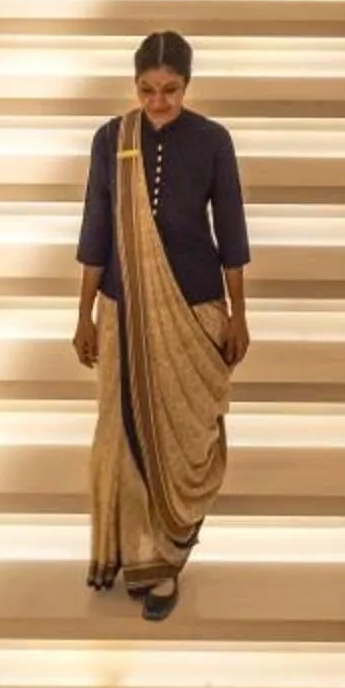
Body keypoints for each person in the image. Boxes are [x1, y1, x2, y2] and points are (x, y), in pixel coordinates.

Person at [74, 30, 251, 621]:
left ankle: (169, 557)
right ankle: (136, 555)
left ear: (188, 85)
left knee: (184, 439)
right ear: (134, 87)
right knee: (124, 437)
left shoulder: (212, 141)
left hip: (195, 303)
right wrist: (84, 313)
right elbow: (96, 228)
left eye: (170, 90)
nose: (158, 102)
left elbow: (231, 231)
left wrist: (239, 313)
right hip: (125, 309)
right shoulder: (110, 140)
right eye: (147, 90)